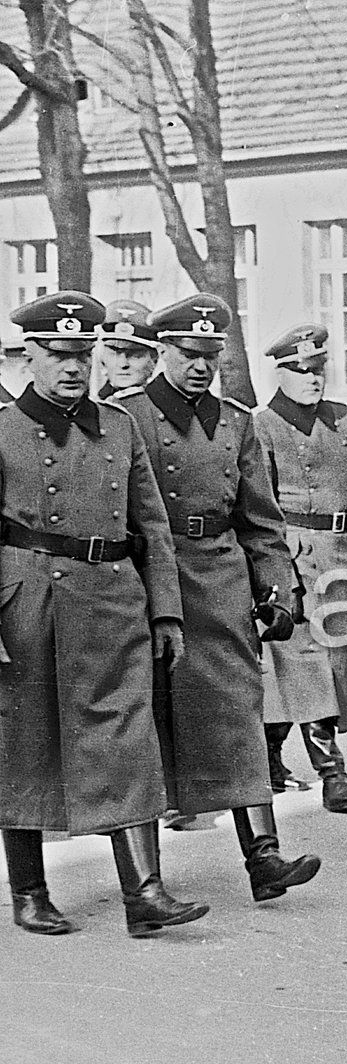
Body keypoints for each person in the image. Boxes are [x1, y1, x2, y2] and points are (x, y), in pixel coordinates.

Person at [0, 291, 204, 937]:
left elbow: (154, 526)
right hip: (28, 601)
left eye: (81, 355)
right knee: (25, 743)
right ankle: (29, 891)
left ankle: (145, 893)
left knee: (128, 740)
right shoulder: (2, 428)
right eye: (57, 355)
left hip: (114, 599)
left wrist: (167, 613)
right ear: (28, 354)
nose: (71, 368)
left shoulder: (120, 426)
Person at [117, 293, 319, 904]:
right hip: (152, 578)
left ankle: (264, 858)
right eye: (187, 353)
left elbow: (261, 519)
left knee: (238, 713)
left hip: (223, 580)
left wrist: (278, 586)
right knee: (145, 724)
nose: (201, 366)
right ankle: (145, 884)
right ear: (162, 353)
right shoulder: (126, 417)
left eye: (211, 354)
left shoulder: (238, 422)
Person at [253, 324, 347, 812]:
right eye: (301, 370)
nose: (313, 379)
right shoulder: (262, 424)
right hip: (293, 558)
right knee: (295, 664)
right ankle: (331, 772)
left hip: (342, 558)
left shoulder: (343, 419)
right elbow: (260, 509)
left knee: (331, 667)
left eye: (319, 370)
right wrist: (273, 576)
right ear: (281, 373)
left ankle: (269, 756)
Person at [96, 299, 159, 397]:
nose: (123, 364)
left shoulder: (163, 407)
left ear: (154, 359)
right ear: (102, 358)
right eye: (114, 352)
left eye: (135, 355)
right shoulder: (91, 406)